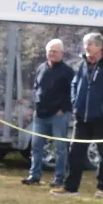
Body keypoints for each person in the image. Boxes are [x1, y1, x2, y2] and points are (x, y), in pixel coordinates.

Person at [57, 32, 103, 197]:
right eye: (85, 44)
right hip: (81, 116)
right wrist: (75, 102)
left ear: (100, 46)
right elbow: (75, 83)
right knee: (75, 152)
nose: (86, 47)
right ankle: (70, 187)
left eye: (89, 44)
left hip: (101, 117)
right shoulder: (83, 63)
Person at [23, 39, 73, 188]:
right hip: (40, 115)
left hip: (59, 115)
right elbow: (36, 87)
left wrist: (63, 109)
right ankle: (34, 176)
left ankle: (59, 178)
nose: (52, 54)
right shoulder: (41, 68)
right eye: (50, 51)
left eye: (55, 51)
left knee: (60, 148)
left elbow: (73, 93)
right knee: (36, 146)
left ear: (62, 53)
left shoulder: (67, 71)